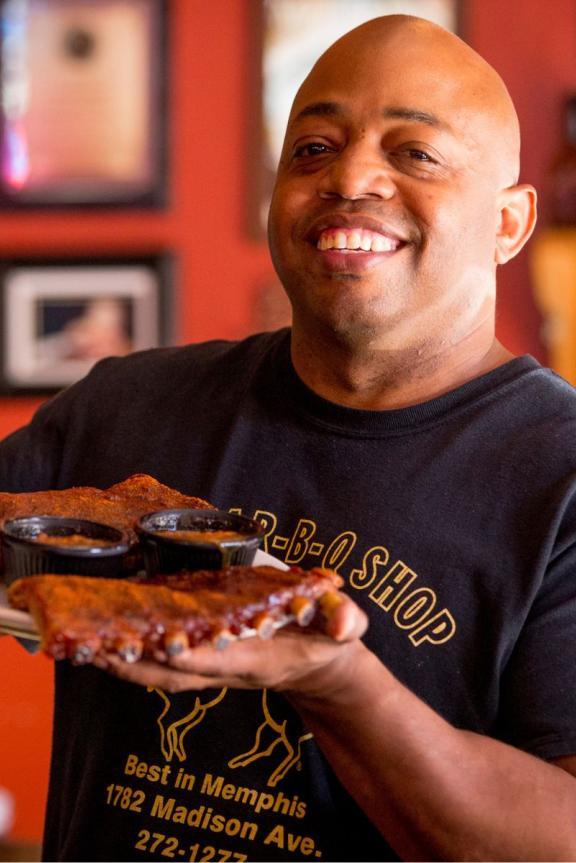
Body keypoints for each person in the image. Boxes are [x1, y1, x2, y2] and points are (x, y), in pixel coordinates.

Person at [1, 13, 576, 862]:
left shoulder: (558, 479)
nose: (349, 176)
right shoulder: (125, 407)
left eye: (413, 152)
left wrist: (335, 681)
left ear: (509, 222)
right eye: (312, 147)